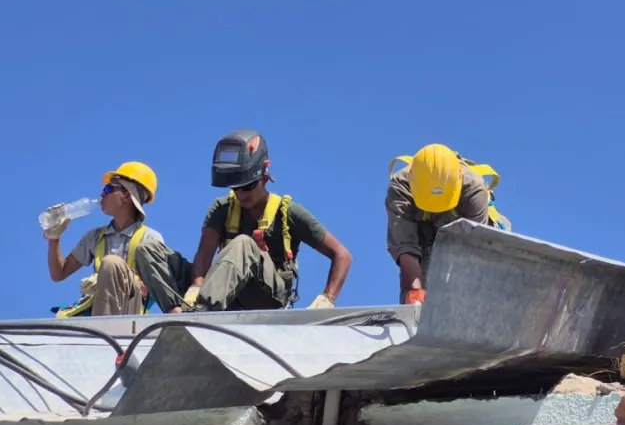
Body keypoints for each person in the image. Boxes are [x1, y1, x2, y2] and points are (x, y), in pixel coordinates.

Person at [184, 129, 352, 312]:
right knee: (153, 252)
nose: (241, 194)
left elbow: (342, 255)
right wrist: (196, 287)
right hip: (227, 293)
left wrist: (327, 299)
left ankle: (203, 311)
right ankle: (183, 311)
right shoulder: (222, 208)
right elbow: (203, 256)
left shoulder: (287, 212)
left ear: (264, 177)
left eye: (247, 186)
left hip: (268, 297)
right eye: (235, 188)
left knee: (243, 243)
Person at [45, 162, 192, 316]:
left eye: (109, 189)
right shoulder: (95, 237)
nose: (102, 194)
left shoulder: (149, 238)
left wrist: (107, 280)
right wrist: (54, 239)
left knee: (110, 263)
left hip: (130, 313)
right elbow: (58, 274)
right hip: (97, 309)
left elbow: (150, 288)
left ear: (127, 195)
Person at [386, 143, 511, 304]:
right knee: (415, 295)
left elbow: (474, 249)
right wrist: (416, 294)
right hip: (423, 232)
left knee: (476, 290)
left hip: (465, 233)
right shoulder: (400, 189)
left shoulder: (474, 188)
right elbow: (406, 248)